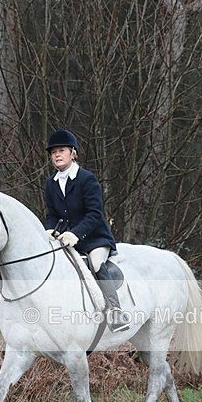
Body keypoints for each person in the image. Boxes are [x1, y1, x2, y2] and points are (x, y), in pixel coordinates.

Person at [44, 128, 130, 332]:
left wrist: (76, 233)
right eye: (53, 152)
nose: (56, 155)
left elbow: (95, 213)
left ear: (73, 153)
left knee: (96, 263)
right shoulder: (51, 183)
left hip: (94, 239)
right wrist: (48, 230)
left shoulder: (86, 179)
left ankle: (116, 312)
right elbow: (52, 215)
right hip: (65, 239)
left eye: (61, 150)